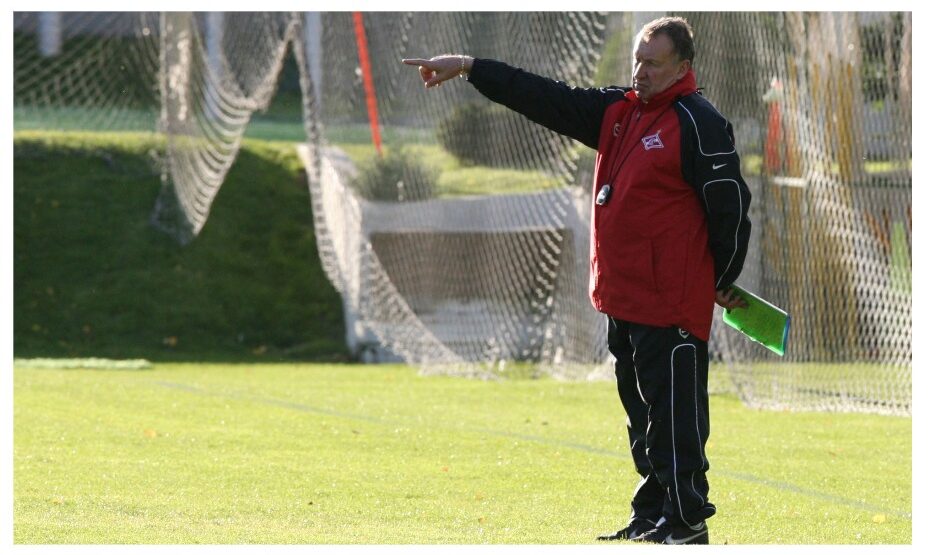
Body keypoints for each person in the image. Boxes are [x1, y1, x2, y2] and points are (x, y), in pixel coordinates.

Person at [403, 16, 750, 545]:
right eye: (638, 60)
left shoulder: (698, 122)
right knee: (641, 418)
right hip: (622, 298)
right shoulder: (619, 111)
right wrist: (471, 67)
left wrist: (721, 276)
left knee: (675, 417)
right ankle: (652, 513)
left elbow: (731, 208)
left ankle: (685, 522)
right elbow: (545, 97)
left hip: (672, 303)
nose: (641, 71)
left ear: (683, 67)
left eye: (654, 64)